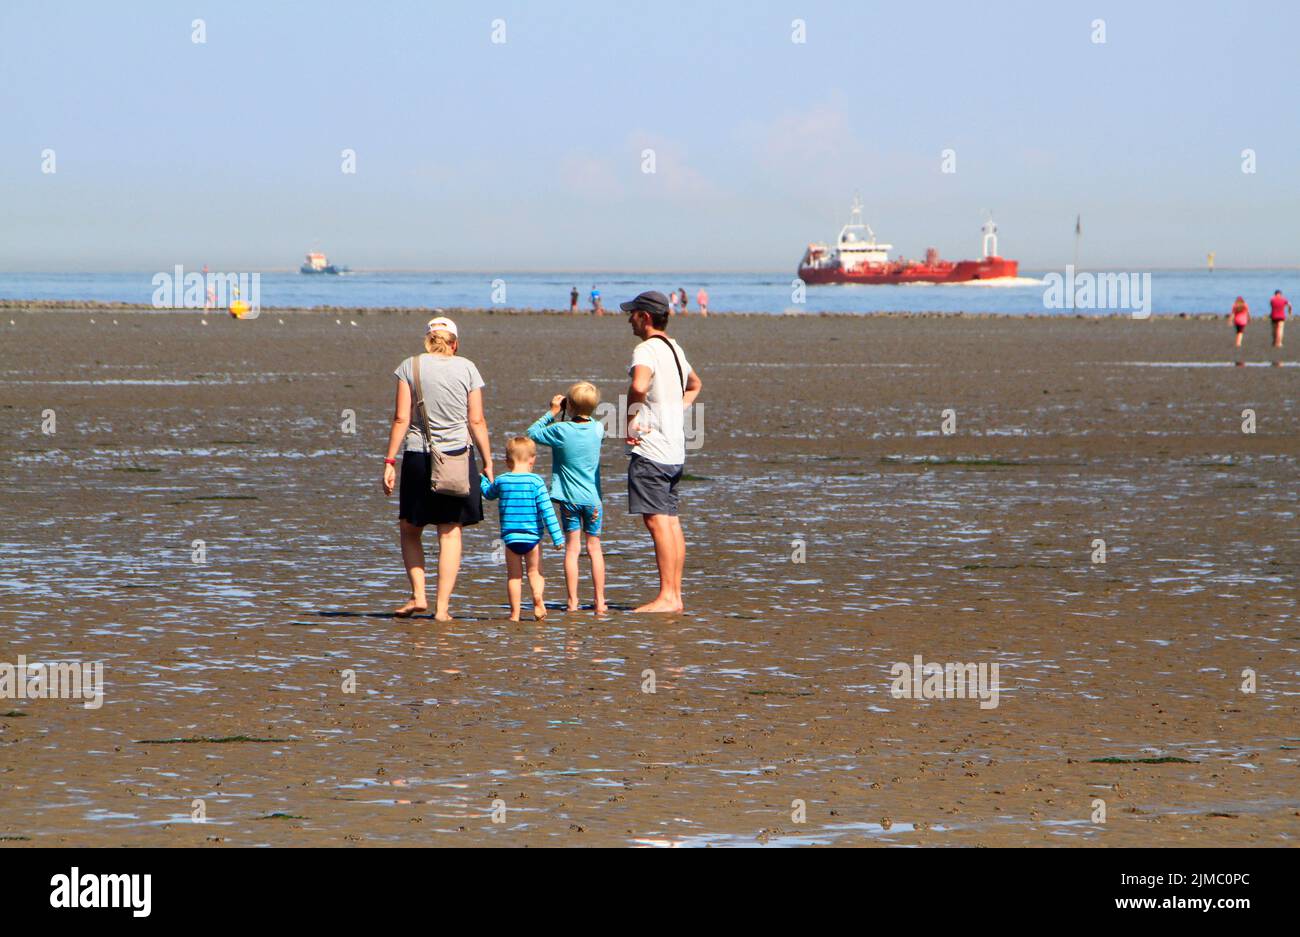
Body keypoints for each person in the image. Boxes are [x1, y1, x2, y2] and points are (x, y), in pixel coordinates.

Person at [383, 317, 493, 621]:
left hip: (419, 455)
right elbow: (477, 421)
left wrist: (390, 461)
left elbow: (401, 419)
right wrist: (488, 462)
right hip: (458, 457)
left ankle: (419, 594)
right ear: (455, 343)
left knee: (410, 528)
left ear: (428, 340)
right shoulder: (468, 367)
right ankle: (442, 609)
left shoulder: (410, 366)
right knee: (449, 532)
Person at [619, 291, 703, 613]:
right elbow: (695, 384)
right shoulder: (675, 347)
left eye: (633, 314)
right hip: (674, 451)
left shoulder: (646, 349)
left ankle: (668, 597)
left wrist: (629, 422)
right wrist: (674, 411)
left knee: (657, 523)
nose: (629, 319)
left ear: (646, 317)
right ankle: (675, 595)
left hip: (652, 450)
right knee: (669, 522)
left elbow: (639, 385)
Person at [527, 382, 607, 613]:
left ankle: (572, 601)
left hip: (569, 499)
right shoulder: (598, 429)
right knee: (594, 547)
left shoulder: (560, 430)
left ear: (568, 405)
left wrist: (553, 412)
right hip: (593, 500)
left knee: (573, 549)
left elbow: (532, 433)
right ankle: (600, 600)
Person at [481, 437, 564, 621]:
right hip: (533, 538)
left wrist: (482, 480)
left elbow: (488, 494)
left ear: (507, 461)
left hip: (510, 539)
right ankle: (537, 597)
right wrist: (557, 538)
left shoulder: (502, 481)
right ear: (532, 460)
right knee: (535, 572)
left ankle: (515, 614)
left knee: (514, 577)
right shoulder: (536, 482)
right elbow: (547, 511)